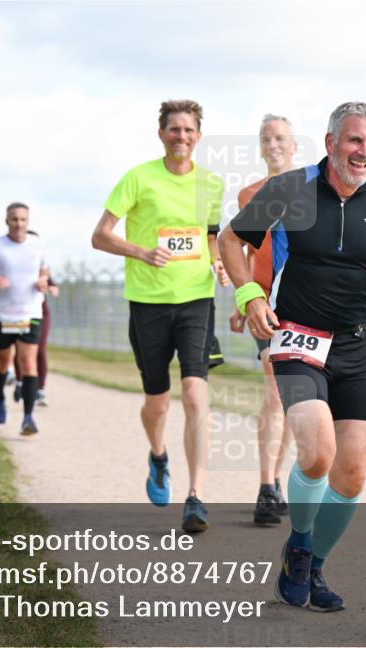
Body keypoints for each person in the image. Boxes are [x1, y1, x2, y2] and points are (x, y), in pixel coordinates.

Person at [220, 102, 366, 611]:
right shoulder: (292, 189)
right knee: (318, 453)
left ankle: (312, 560)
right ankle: (301, 545)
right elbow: (229, 240)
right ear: (331, 142)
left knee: (352, 473)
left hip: (354, 343)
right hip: (295, 338)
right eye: (355, 141)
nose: (365, 152)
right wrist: (250, 296)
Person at [91, 99, 225, 533]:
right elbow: (100, 236)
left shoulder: (211, 184)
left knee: (194, 394)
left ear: (198, 136)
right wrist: (142, 252)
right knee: (157, 401)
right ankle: (158, 455)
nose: (181, 137)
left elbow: (209, 239)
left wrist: (219, 263)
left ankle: (197, 496)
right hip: (147, 303)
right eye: (173, 130)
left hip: (195, 300)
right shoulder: (138, 178)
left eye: (188, 130)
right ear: (161, 134)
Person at [228, 114, 299, 525]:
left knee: (293, 398)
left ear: (294, 146)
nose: (273, 145)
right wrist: (243, 301)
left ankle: (277, 478)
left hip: (305, 304)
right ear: (260, 147)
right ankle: (265, 487)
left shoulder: (311, 191)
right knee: (274, 392)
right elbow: (245, 251)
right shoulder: (249, 194)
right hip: (266, 304)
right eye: (266, 139)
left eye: (280, 138)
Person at [0, 203, 50, 436]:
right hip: (1, 314)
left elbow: (44, 271)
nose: (19, 224)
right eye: (14, 219)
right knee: (4, 361)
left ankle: (28, 418)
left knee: (28, 364)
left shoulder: (38, 246)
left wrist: (42, 282)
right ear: (7, 221)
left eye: (23, 220)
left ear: (28, 221)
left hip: (30, 313)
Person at [12, 231, 59, 408]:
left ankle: (40, 390)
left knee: (40, 349)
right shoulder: (14, 265)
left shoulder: (42, 267)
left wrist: (50, 289)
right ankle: (19, 381)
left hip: (41, 313)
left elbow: (53, 286)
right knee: (20, 349)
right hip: (18, 313)